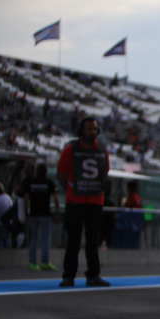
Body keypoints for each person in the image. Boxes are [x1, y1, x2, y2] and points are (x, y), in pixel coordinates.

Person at [56, 117, 111, 287]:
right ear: (82, 130)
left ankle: (93, 275)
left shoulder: (103, 150)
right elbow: (61, 175)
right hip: (76, 201)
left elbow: (105, 173)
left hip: (95, 201)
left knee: (92, 240)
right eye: (88, 129)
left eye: (94, 129)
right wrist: (72, 191)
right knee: (73, 240)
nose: (92, 132)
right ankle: (68, 276)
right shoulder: (71, 149)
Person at [23, 163, 60, 271]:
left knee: (33, 238)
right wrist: (57, 212)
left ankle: (32, 263)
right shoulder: (49, 182)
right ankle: (45, 262)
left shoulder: (31, 182)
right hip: (45, 214)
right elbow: (56, 198)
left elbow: (26, 198)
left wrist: (26, 213)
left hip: (33, 214)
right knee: (45, 239)